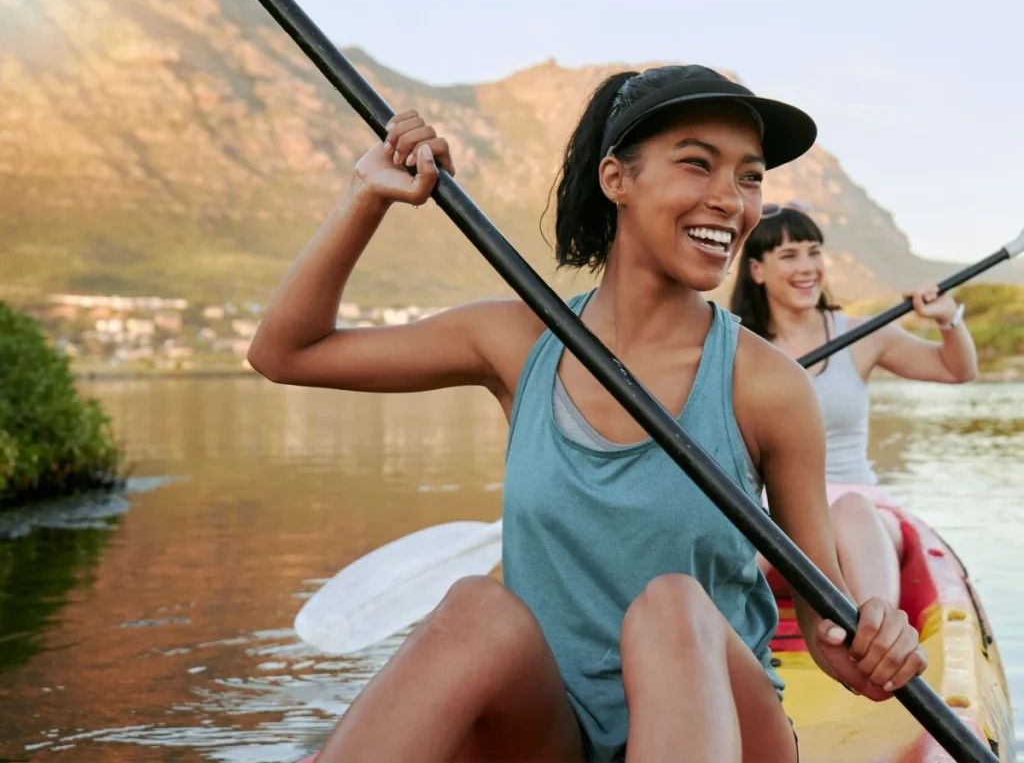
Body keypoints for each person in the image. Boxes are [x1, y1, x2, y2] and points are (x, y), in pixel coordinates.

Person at [248, 66, 927, 763]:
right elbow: (287, 352)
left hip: (730, 727)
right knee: (476, 608)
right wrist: (367, 195)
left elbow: (823, 619)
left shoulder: (767, 384)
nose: (731, 200)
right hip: (555, 733)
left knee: (672, 606)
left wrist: (869, 640)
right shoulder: (517, 342)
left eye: (750, 177)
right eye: (698, 164)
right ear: (616, 179)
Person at [729, 202, 978, 608]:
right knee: (752, 529)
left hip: (860, 517)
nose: (807, 266)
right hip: (774, 520)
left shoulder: (862, 335)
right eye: (789, 256)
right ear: (757, 270)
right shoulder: (735, 347)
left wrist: (948, 319)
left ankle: (879, 641)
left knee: (850, 511)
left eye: (813, 251)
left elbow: (956, 369)